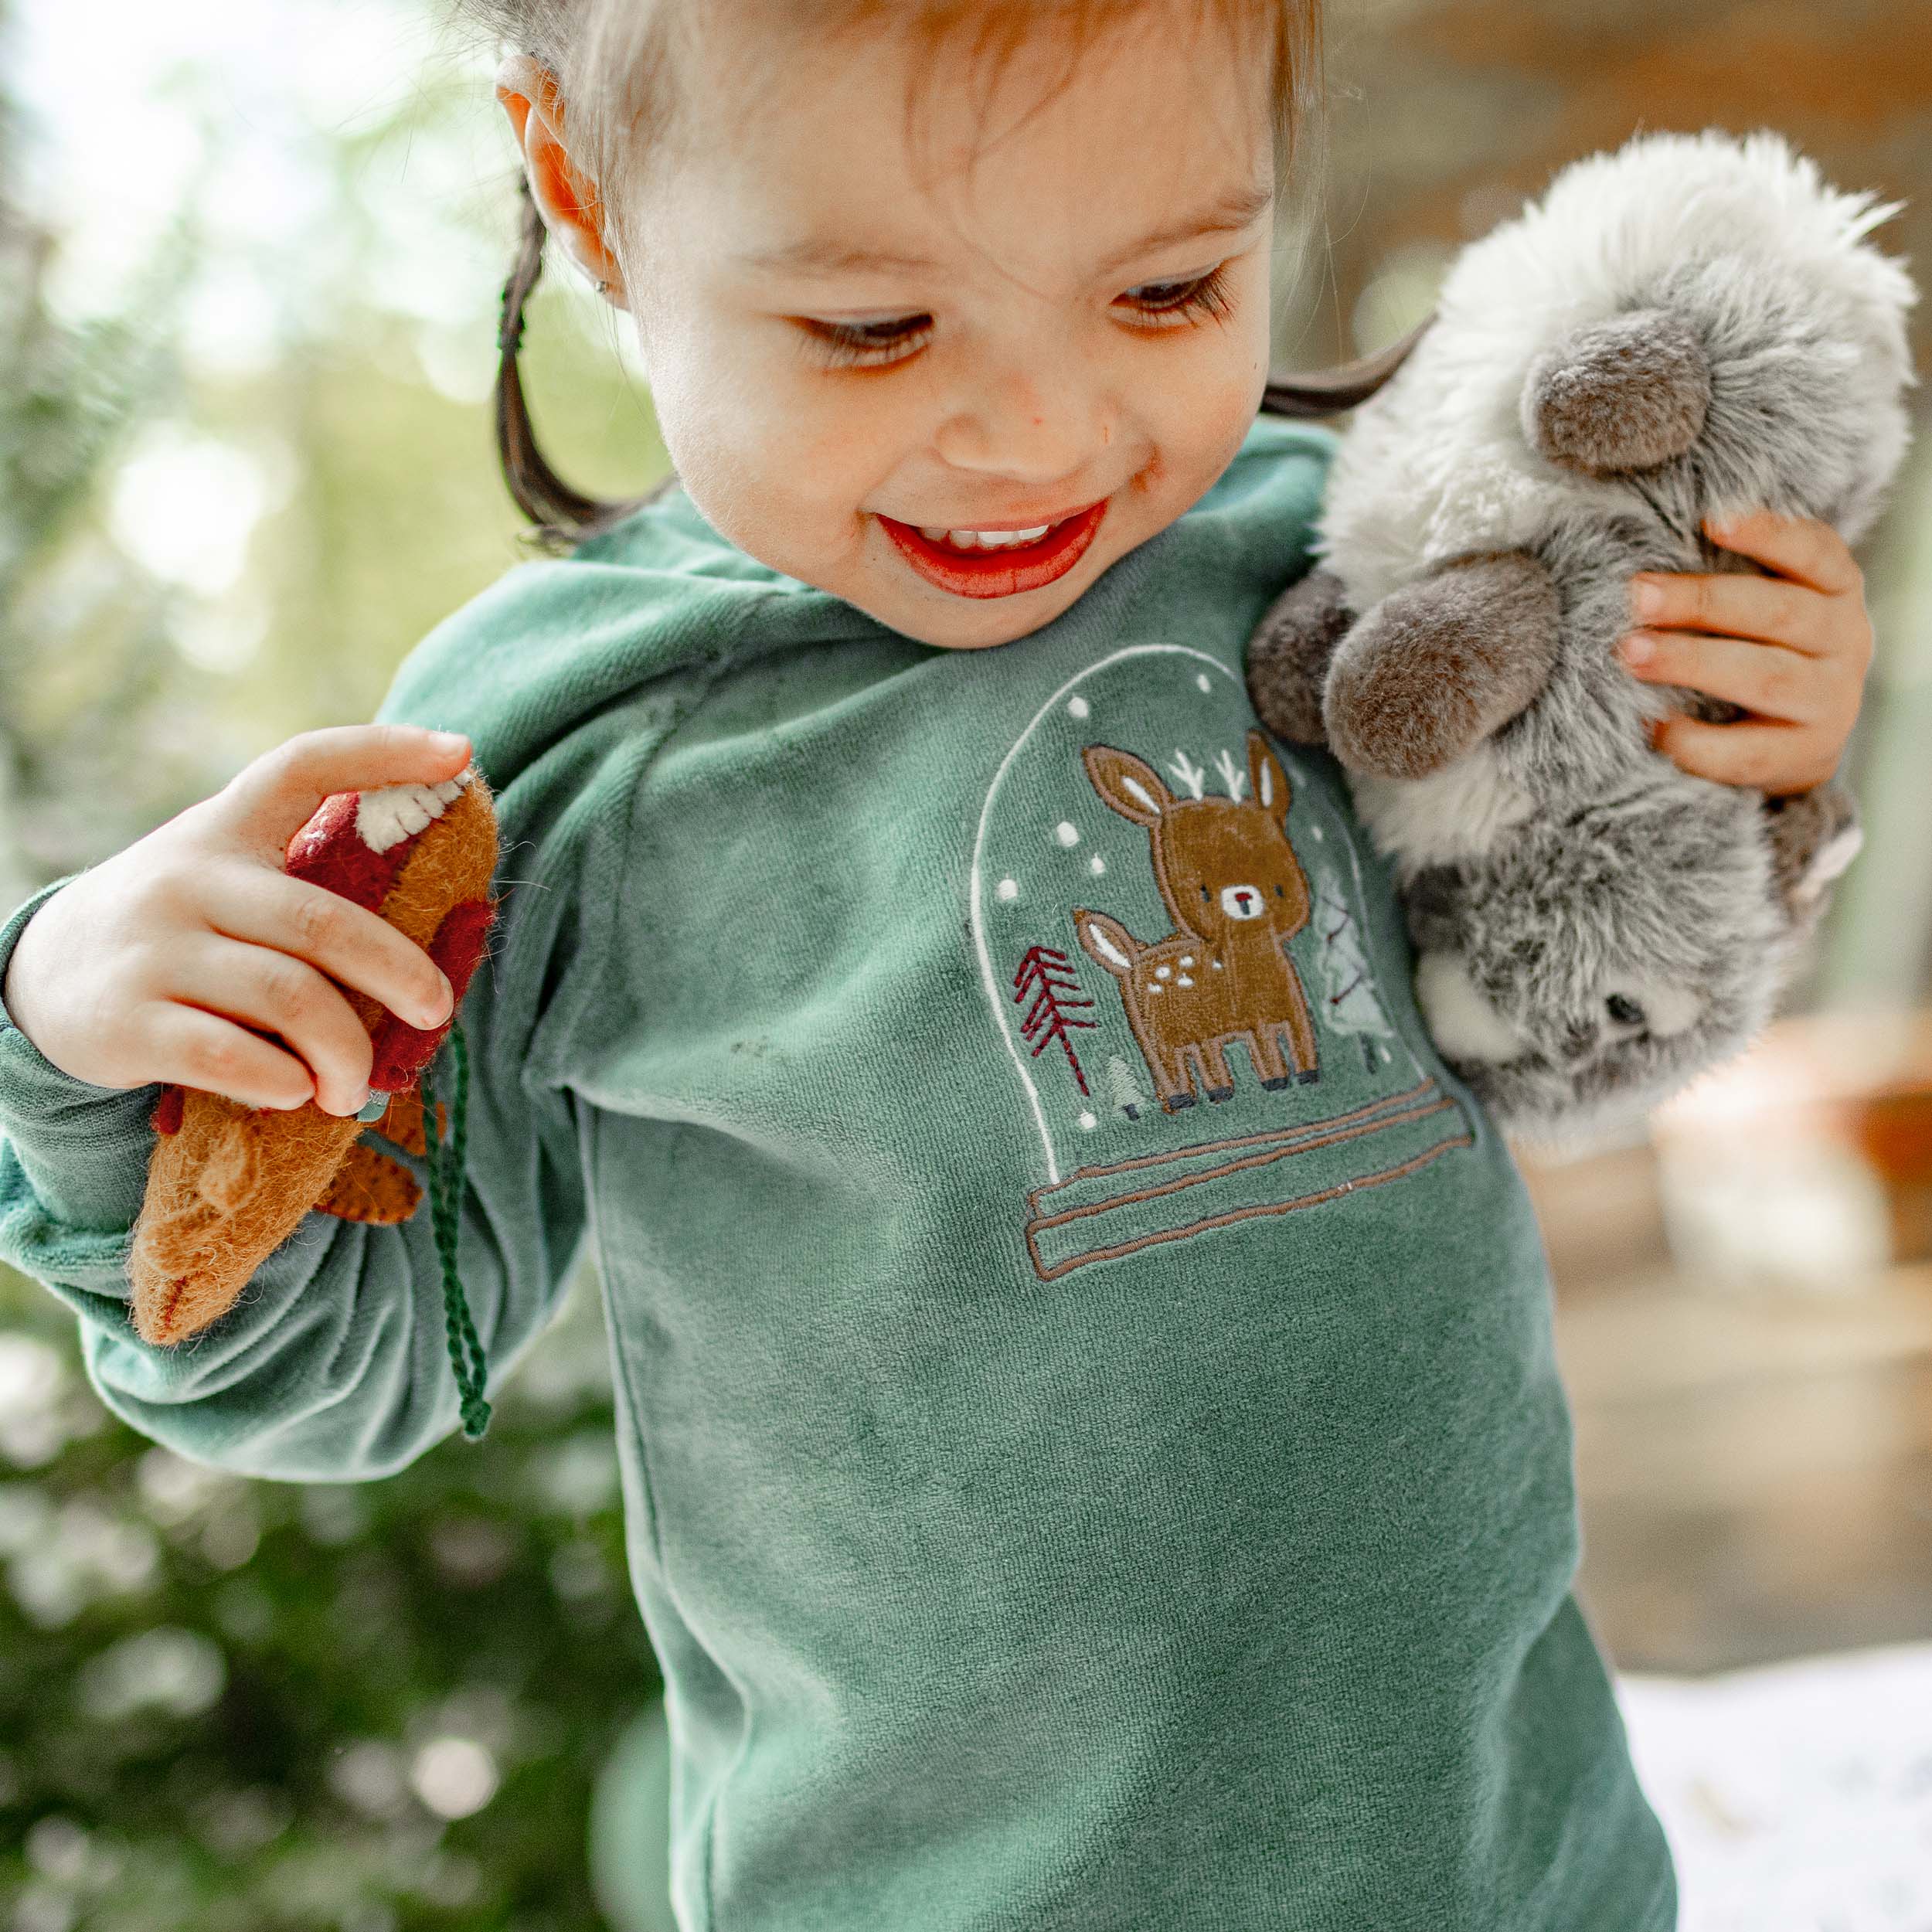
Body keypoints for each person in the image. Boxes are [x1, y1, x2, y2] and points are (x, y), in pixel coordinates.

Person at [0, 2, 1879, 1927]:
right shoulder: (549, 763)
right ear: (588, 195)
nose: (1038, 432)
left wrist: (1739, 759)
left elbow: (1570, 1019)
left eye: (1167, 288)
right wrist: (78, 1032)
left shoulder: (1326, 573)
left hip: (1523, 1872)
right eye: (873, 329)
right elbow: (330, 1372)